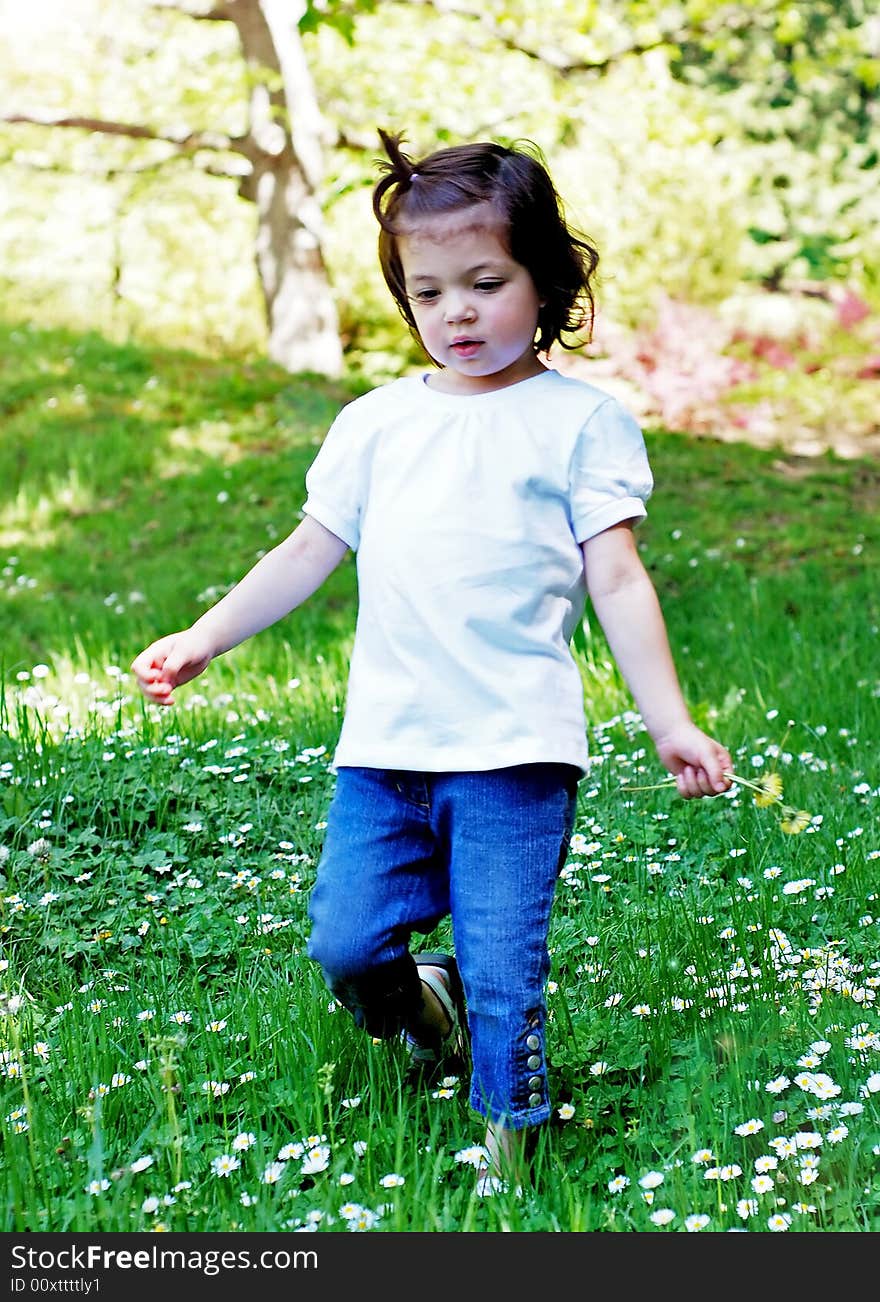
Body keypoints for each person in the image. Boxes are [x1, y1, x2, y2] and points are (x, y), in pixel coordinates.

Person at [131, 128, 733, 1195]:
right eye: (428, 291)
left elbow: (620, 582)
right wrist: (205, 636)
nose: (456, 311)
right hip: (386, 751)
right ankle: (425, 1008)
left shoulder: (580, 425)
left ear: (546, 280)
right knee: (348, 944)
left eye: (485, 283)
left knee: (508, 965)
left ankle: (510, 1142)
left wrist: (669, 720)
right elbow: (307, 549)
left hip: (515, 754)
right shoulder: (375, 425)